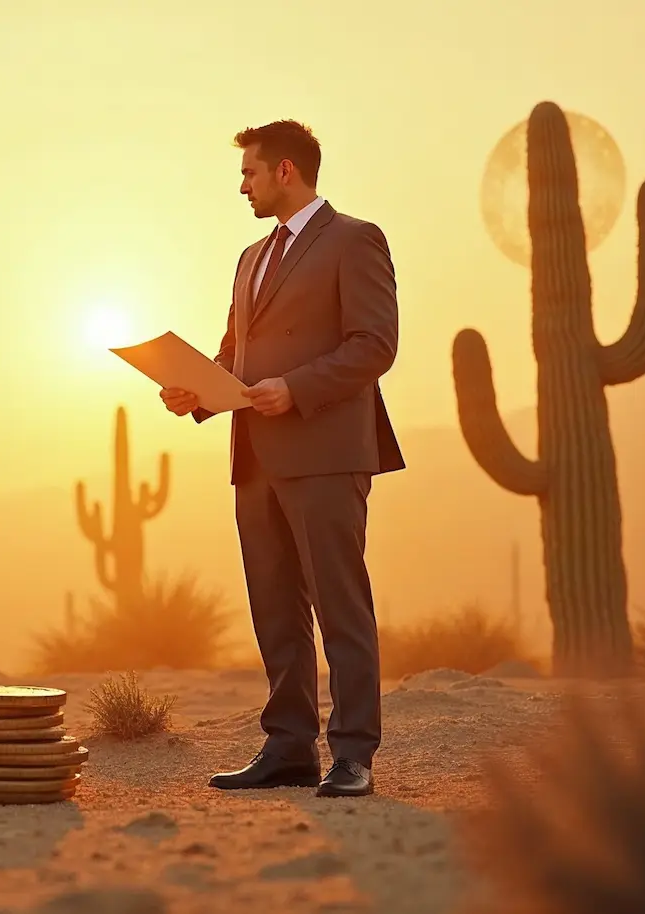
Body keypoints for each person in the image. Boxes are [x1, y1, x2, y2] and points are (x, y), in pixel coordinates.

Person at [160, 119, 404, 798]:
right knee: (275, 607)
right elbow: (234, 354)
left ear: (286, 171)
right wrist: (196, 392)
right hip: (256, 457)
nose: (242, 186)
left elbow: (374, 344)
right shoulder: (249, 257)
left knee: (339, 605)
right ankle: (289, 746)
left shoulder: (355, 240)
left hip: (326, 451)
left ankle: (354, 753)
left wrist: (295, 389)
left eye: (249, 173)